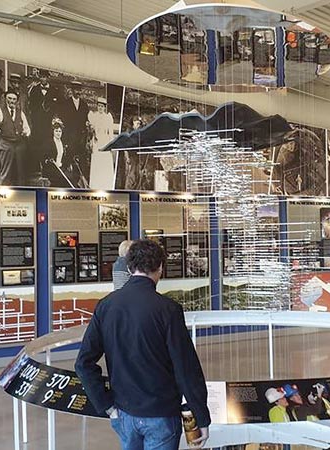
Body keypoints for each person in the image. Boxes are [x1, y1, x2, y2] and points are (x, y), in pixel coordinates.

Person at [75, 239, 210, 449]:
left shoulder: (106, 306)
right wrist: (201, 417)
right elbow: (186, 369)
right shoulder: (168, 310)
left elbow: (83, 363)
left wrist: (107, 406)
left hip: (123, 412)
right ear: (161, 268)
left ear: (129, 267)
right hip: (161, 414)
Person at [0, 90, 31, 186]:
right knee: (5, 171)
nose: (12, 101)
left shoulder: (20, 113)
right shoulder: (0, 112)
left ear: (17, 101)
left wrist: (26, 133)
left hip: (19, 145)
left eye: (14, 99)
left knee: (21, 171)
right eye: (9, 98)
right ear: (5, 99)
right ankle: (3, 192)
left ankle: (21, 192)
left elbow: (27, 127)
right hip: (6, 143)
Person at [88, 97, 117, 190]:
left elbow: (110, 132)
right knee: (97, 161)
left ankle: (106, 184)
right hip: (96, 141)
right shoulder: (93, 116)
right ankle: (96, 184)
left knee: (104, 162)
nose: (100, 108)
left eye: (102, 106)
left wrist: (111, 144)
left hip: (105, 140)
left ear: (105, 107)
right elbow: (92, 130)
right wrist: (92, 137)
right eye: (99, 106)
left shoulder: (108, 117)